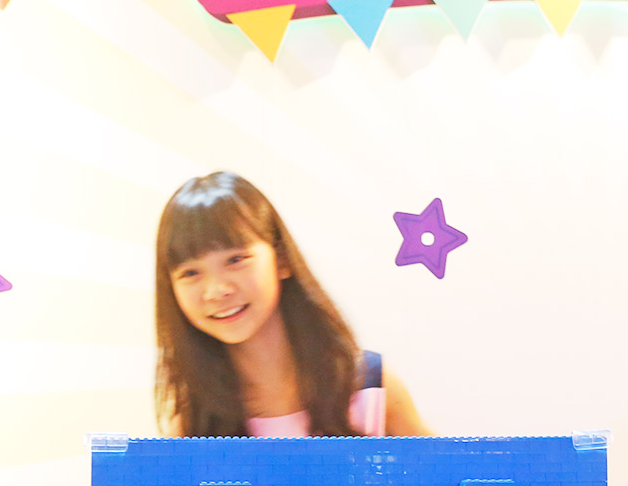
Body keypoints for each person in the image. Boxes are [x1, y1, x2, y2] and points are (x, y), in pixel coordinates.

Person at [155, 172, 429, 438]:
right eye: (190, 273)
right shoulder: (191, 425)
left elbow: (442, 467)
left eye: (235, 260)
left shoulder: (370, 386)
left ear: (282, 259)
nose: (216, 290)